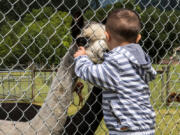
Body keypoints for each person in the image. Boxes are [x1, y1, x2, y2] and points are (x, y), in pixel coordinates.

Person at [73, 8, 157, 135]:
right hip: (146, 126)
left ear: (107, 37)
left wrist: (82, 58)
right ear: (138, 38)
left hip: (125, 129)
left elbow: (93, 74)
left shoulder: (117, 61)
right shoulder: (141, 59)